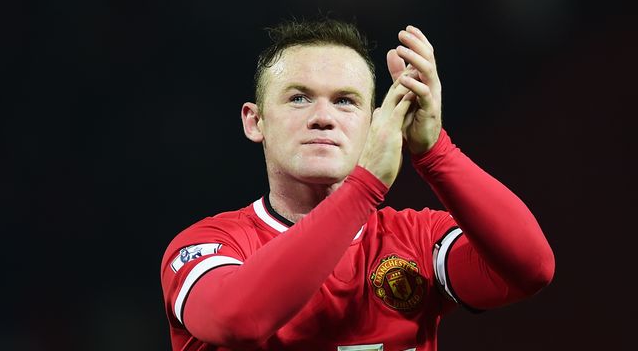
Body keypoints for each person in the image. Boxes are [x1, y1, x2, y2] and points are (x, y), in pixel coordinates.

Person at [160, 17, 555, 351]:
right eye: (299, 98)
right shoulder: (206, 245)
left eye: (345, 101)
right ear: (255, 121)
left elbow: (531, 269)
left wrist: (435, 152)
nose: (323, 117)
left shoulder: (417, 239)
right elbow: (239, 320)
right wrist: (365, 187)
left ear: (374, 122)